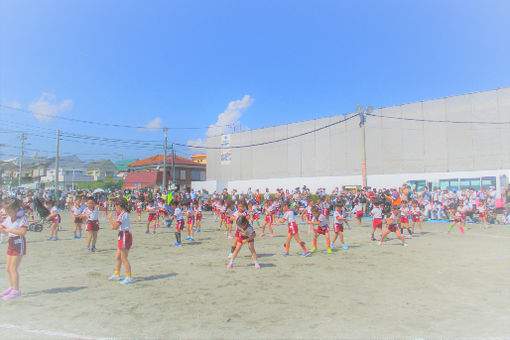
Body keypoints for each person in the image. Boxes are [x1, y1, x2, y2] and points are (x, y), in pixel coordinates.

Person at [0, 198, 28, 300]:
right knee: (7, 267)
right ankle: (11, 287)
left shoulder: (22, 218)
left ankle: (16, 290)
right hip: (11, 242)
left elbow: (23, 232)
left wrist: (10, 230)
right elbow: (3, 231)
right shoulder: (7, 218)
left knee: (13, 268)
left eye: (9, 210)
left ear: (16, 208)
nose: (7, 212)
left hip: (19, 242)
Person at [108, 199, 134, 284]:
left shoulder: (123, 214)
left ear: (119, 206)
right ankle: (117, 273)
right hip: (122, 235)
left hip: (124, 236)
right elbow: (116, 226)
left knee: (124, 258)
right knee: (118, 256)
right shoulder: (122, 214)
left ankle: (129, 276)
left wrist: (110, 219)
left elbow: (115, 226)